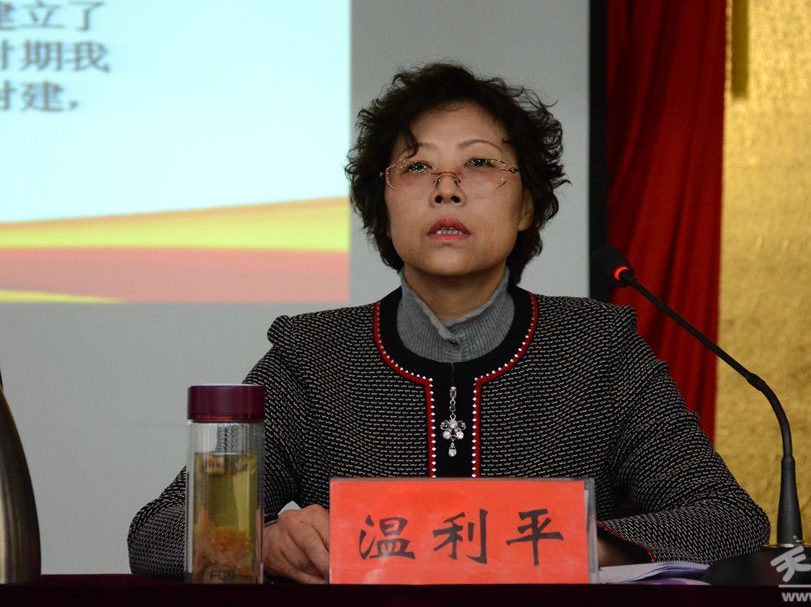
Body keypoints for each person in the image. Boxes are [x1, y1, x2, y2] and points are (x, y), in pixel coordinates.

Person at [127, 62, 770, 582]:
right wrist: (261, 542)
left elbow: (728, 520)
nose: (446, 188)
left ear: (527, 207)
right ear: (383, 209)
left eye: (480, 163)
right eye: (417, 167)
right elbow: (157, 533)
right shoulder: (313, 358)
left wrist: (569, 545)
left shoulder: (597, 350)